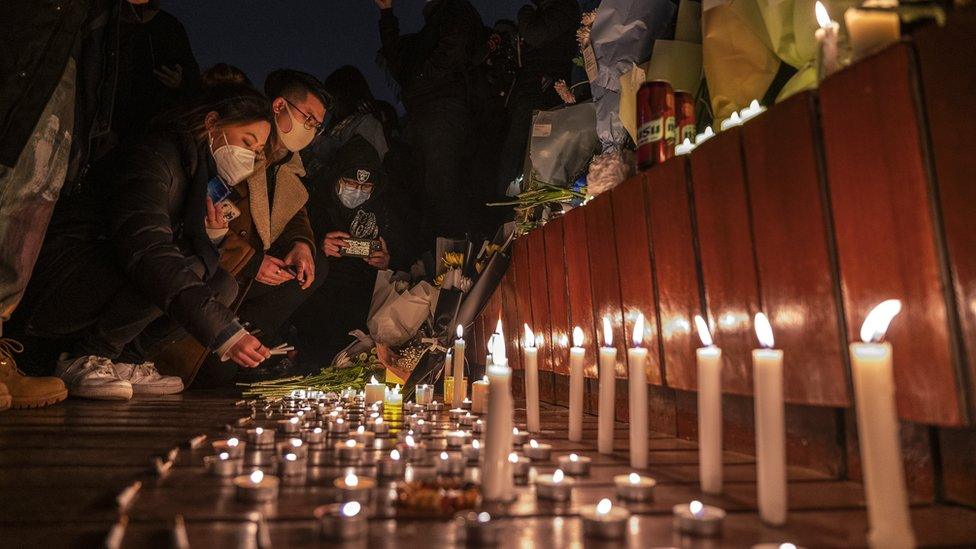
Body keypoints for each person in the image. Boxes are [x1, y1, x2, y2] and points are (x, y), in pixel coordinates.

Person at [17, 84, 275, 400]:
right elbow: (148, 249)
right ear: (212, 123)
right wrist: (224, 332)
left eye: (257, 150)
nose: (249, 156)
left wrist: (214, 236)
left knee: (224, 285)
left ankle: (127, 358)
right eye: (247, 142)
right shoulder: (156, 155)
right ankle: (85, 355)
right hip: (66, 279)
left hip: (116, 272)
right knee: (182, 268)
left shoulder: (199, 173)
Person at [294, 136, 412, 368]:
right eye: (350, 183)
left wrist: (387, 261)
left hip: (366, 301)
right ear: (336, 178)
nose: (357, 191)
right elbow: (289, 241)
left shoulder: (385, 211)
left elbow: (407, 256)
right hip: (318, 299)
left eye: (365, 187)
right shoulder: (314, 204)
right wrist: (317, 246)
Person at [374, 0, 485, 244]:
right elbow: (397, 61)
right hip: (427, 114)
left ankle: (463, 257)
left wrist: (416, 86)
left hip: (445, 109)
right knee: (431, 189)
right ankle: (450, 260)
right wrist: (386, 14)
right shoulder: (428, 32)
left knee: (443, 184)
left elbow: (453, 50)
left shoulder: (456, 11)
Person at [497, 0, 581, 194]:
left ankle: (516, 203)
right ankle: (511, 202)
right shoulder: (551, 10)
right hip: (535, 88)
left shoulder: (562, 7)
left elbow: (536, 34)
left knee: (528, 149)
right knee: (518, 149)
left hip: (542, 89)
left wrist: (525, 13)